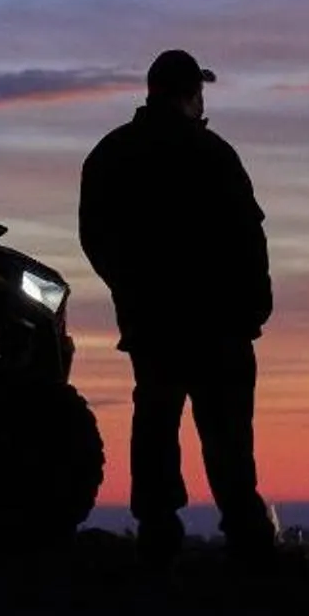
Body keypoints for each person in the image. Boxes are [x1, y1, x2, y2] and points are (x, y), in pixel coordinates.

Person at [77, 50, 276, 569]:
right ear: (191, 94)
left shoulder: (112, 154)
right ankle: (246, 533)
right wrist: (255, 304)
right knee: (226, 429)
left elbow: (95, 237)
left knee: (156, 419)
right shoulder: (212, 153)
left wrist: (130, 290)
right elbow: (247, 235)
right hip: (218, 321)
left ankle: (158, 529)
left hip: (152, 321)